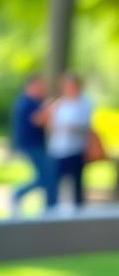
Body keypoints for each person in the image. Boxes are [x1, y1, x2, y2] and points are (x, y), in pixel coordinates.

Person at [46, 73, 93, 209]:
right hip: (58, 149)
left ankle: (78, 212)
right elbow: (50, 125)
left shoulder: (84, 103)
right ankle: (51, 210)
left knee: (76, 184)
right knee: (55, 182)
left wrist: (71, 128)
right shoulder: (60, 104)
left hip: (76, 149)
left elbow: (85, 127)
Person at [10, 75, 52, 213]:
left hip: (33, 144)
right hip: (32, 144)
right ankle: (18, 194)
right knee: (45, 176)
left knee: (44, 176)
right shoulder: (28, 103)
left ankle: (20, 195)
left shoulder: (27, 102)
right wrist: (50, 108)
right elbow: (38, 120)